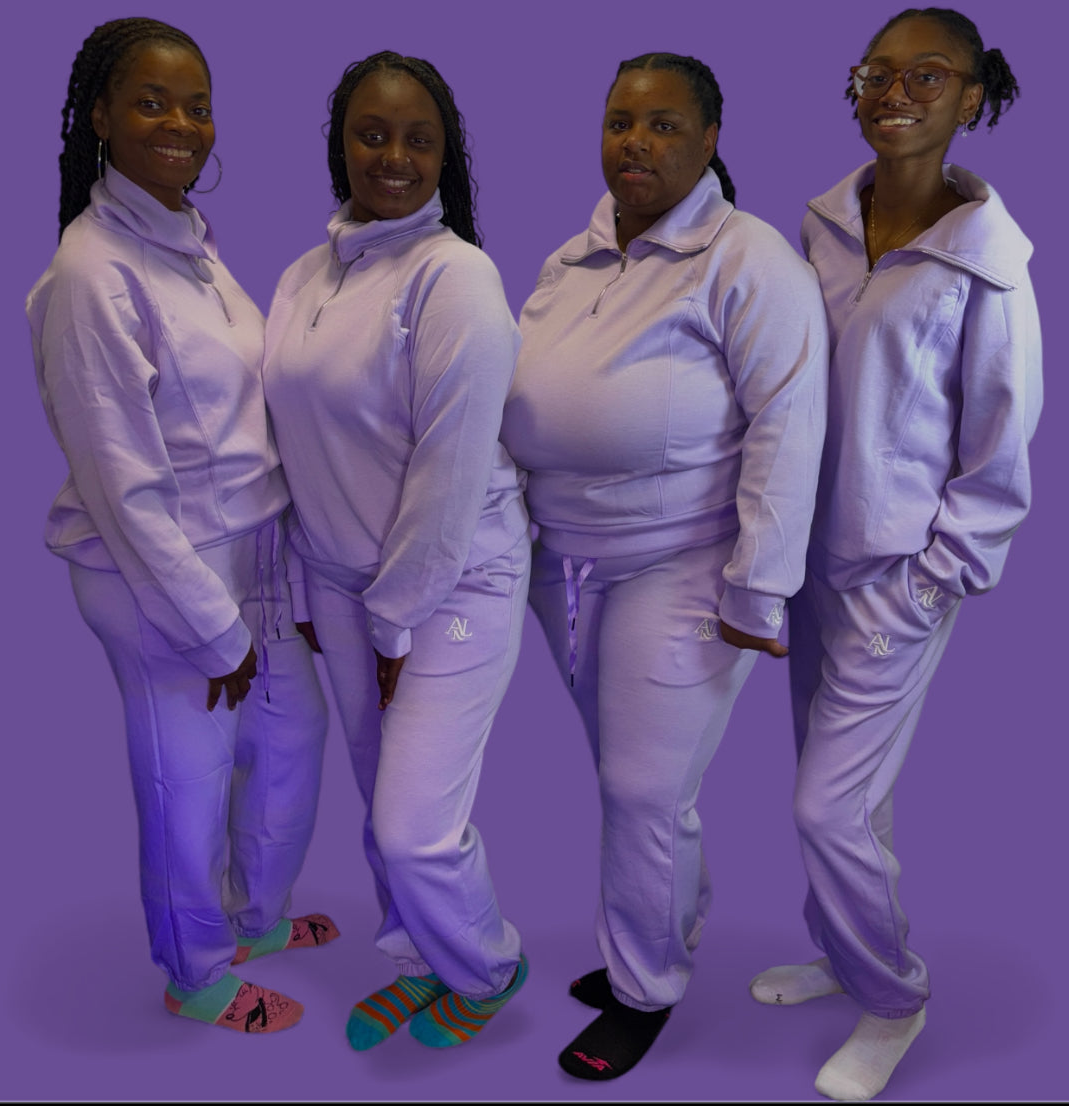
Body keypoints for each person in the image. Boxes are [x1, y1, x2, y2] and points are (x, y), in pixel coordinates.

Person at [500, 52, 829, 1081]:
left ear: (710, 138)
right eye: (618, 122)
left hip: (681, 561)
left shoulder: (747, 258)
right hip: (563, 564)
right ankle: (664, 921)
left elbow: (788, 423)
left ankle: (644, 986)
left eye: (662, 123)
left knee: (642, 787)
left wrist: (757, 588)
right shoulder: (570, 260)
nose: (634, 142)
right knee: (632, 777)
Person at [747, 8, 1042, 1101]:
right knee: (844, 799)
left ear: (974, 98)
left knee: (825, 806)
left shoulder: (988, 267)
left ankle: (893, 995)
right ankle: (843, 948)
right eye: (877, 71)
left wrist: (930, 582)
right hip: (803, 564)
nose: (894, 91)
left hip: (894, 580)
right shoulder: (822, 224)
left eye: (928, 74)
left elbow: (999, 457)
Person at [27, 17, 337, 1035]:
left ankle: (255, 916)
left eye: (197, 106)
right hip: (161, 570)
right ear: (100, 117)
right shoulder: (92, 273)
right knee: (186, 781)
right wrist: (211, 628)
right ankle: (197, 970)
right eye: (151, 102)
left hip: (254, 553)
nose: (180, 124)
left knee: (289, 739)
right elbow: (122, 484)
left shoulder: (188, 243)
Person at [262, 51, 531, 1052]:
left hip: (452, 581)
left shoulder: (455, 277)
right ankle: (417, 954)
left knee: (414, 823)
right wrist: (311, 586)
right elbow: (292, 440)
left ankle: (487, 965)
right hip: (340, 581)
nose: (394, 156)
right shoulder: (304, 275)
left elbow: (449, 474)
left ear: (445, 153)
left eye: (419, 139)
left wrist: (394, 620)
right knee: (378, 801)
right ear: (339, 141)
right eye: (371, 133)